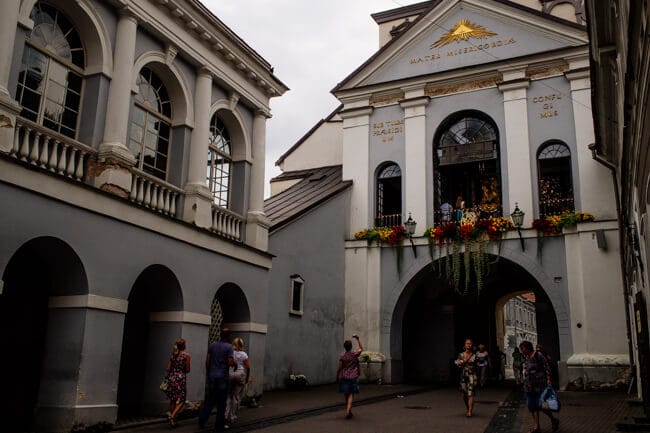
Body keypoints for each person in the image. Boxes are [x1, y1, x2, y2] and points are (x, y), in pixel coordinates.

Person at [199, 328, 235, 432]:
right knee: (221, 403)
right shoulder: (229, 347)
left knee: (210, 400)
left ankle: (202, 420)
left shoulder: (213, 345)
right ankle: (219, 426)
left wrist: (210, 373)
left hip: (212, 376)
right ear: (228, 336)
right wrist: (235, 363)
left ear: (220, 334)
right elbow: (230, 362)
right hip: (222, 377)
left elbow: (207, 361)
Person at [520, 340, 559, 433]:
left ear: (528, 348)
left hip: (540, 386)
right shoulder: (526, 357)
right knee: (532, 406)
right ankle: (536, 427)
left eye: (523, 348)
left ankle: (553, 419)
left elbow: (547, 367)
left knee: (541, 406)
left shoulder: (538, 355)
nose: (522, 350)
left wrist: (549, 379)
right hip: (529, 386)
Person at [336, 335, 363, 419]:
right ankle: (348, 411)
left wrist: (337, 376)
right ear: (351, 347)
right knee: (351, 394)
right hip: (353, 376)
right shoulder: (354, 354)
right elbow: (361, 349)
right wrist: (358, 339)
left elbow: (340, 368)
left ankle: (349, 410)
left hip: (344, 376)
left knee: (346, 394)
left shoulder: (342, 356)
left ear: (345, 347)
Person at [165, 338, 190, 427]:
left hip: (172, 378)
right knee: (182, 400)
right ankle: (172, 416)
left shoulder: (173, 355)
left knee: (173, 399)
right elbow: (187, 369)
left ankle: (173, 422)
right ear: (183, 346)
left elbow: (167, 368)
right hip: (180, 379)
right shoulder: (186, 355)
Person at [225, 337, 250, 426]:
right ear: (242, 344)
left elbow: (228, 363)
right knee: (236, 396)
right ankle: (233, 416)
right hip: (240, 374)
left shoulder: (231, 352)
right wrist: (247, 378)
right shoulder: (244, 354)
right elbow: (248, 367)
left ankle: (225, 414)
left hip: (231, 373)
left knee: (228, 395)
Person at [455, 338, 478, 417]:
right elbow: (458, 364)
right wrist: (459, 364)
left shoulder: (475, 356)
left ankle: (470, 411)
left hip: (472, 376)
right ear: (464, 345)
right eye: (467, 343)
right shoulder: (461, 355)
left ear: (472, 345)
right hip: (463, 376)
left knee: (470, 393)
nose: (468, 345)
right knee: (465, 394)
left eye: (470, 344)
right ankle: (468, 408)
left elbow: (477, 366)